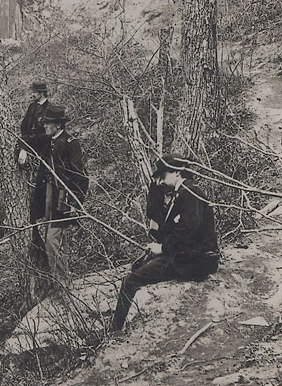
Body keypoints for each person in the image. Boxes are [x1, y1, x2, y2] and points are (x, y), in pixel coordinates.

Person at [110, 155, 220, 332]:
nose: (160, 181)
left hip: (196, 260)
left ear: (177, 172)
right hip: (190, 256)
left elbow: (188, 232)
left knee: (130, 280)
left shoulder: (190, 194)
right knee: (138, 266)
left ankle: (114, 330)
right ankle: (117, 325)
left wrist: (162, 248)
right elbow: (168, 227)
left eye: (164, 175)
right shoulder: (183, 192)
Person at [29, 105, 89, 289]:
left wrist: (74, 203)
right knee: (48, 238)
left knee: (52, 241)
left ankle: (63, 284)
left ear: (58, 125)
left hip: (61, 199)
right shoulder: (48, 141)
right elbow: (26, 141)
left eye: (48, 123)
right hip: (46, 197)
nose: (45, 126)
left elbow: (81, 176)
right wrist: (22, 149)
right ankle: (58, 279)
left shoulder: (71, 143)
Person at [17, 80, 52, 167]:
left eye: (35, 92)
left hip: (43, 149)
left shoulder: (49, 109)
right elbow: (24, 126)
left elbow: (46, 133)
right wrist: (24, 147)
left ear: (42, 93)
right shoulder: (32, 106)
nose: (32, 94)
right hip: (28, 146)